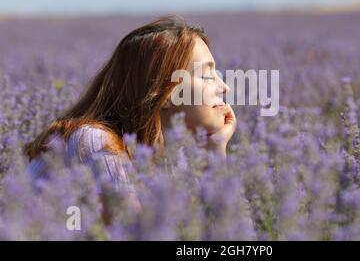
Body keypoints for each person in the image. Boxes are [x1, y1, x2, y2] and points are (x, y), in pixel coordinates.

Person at [24, 15, 237, 194]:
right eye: (207, 76)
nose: (224, 87)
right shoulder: (94, 142)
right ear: (168, 91)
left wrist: (215, 151)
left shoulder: (174, 157)